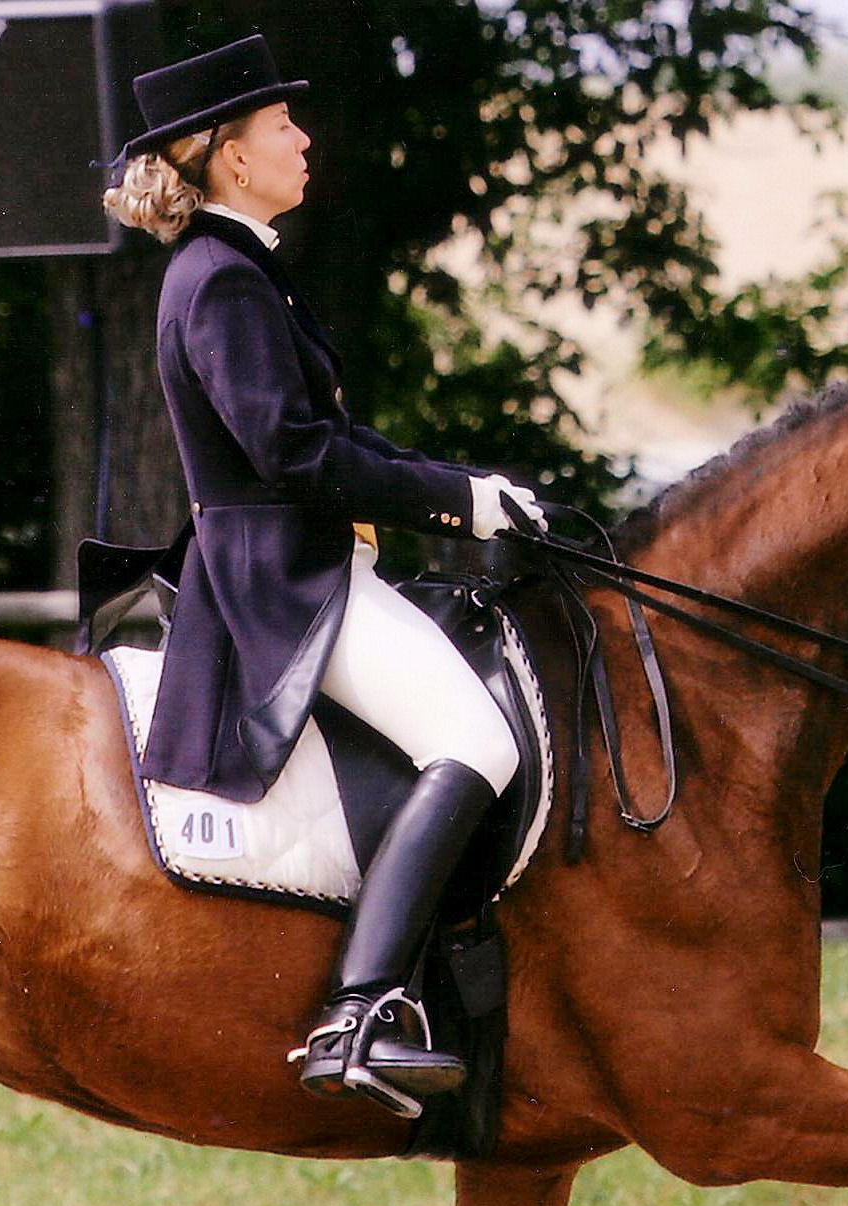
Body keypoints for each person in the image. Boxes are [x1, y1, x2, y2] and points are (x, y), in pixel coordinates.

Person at [102, 35, 543, 1118]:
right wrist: (456, 503)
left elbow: (335, 437)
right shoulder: (221, 281)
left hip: (303, 557)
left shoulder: (243, 268)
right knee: (478, 739)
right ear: (231, 159)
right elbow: (292, 455)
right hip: (280, 579)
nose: (304, 137)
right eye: (281, 126)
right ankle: (362, 1007)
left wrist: (464, 484)